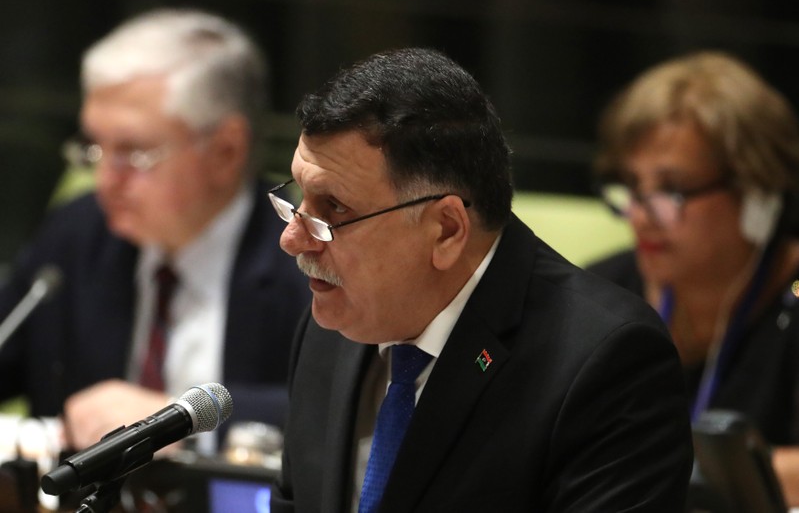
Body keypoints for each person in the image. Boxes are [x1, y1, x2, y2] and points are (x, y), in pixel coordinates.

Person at [268, 47, 693, 512]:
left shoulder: (605, 363)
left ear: (447, 229)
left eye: (335, 209)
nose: (293, 239)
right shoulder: (330, 328)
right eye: (298, 199)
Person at [0, 8, 309, 453]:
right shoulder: (78, 233)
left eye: (133, 152)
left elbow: (347, 409)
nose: (104, 177)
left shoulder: (303, 256)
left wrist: (172, 418)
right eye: (94, 146)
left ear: (225, 150)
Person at [588, 51, 799, 505]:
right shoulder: (598, 295)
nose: (641, 216)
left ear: (756, 191)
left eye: (672, 190)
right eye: (633, 187)